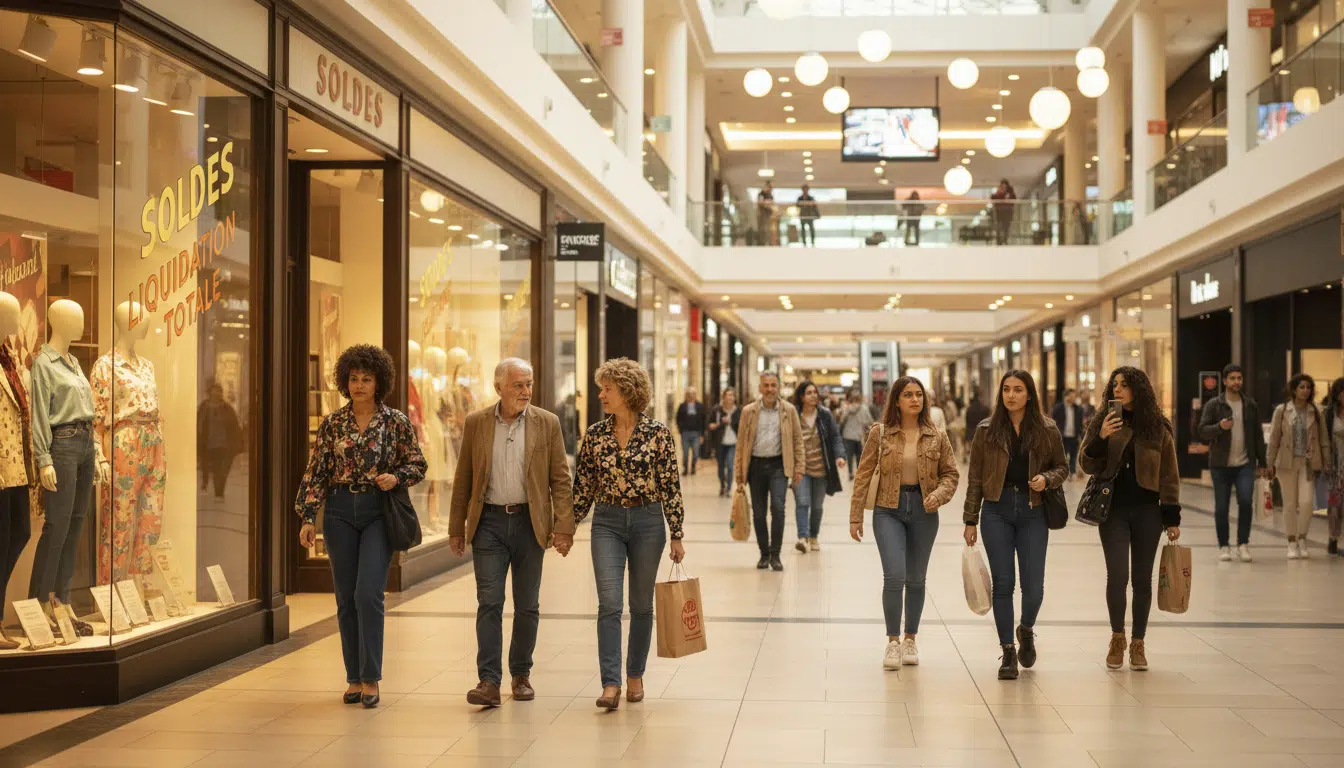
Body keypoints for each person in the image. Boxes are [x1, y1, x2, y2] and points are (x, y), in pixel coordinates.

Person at [295, 344, 427, 708]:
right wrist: (308, 517)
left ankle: (371, 678)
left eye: (366, 379)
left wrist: (395, 477)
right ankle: (353, 677)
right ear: (344, 381)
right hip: (338, 511)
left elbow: (418, 464)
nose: (358, 385)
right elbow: (317, 471)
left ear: (378, 382)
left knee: (368, 594)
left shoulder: (395, 421)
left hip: (377, 511)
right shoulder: (333, 423)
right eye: (353, 378)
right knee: (345, 598)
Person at [448, 358, 575, 708]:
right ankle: (488, 681)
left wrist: (564, 526)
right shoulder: (477, 423)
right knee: (489, 601)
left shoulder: (546, 423)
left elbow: (560, 480)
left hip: (528, 522)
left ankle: (521, 675)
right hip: (488, 523)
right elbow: (463, 480)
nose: (526, 391)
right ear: (498, 386)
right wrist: (456, 528)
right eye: (518, 384)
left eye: (529, 384)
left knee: (527, 604)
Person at [572, 358, 685, 709]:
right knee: (608, 603)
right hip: (606, 521)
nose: (601, 394)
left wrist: (677, 533)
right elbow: (583, 487)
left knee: (640, 605)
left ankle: (635, 673)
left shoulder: (658, 434)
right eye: (601, 387)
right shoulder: (594, 435)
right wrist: (564, 528)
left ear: (628, 391)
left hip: (648, 521)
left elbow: (670, 485)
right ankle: (611, 683)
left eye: (608, 388)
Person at [962, 370, 1067, 680]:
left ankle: (1026, 629)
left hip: (1034, 512)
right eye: (1006, 389)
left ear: (1029, 395)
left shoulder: (1047, 429)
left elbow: (1063, 466)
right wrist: (970, 518)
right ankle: (1008, 650)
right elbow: (976, 478)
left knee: (1033, 587)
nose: (1011, 395)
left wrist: (1046, 479)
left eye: (1018, 390)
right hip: (997, 511)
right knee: (1004, 583)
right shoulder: (987, 430)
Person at [850, 376, 958, 669]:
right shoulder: (881, 433)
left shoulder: (938, 436)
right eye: (908, 395)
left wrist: (939, 495)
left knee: (916, 579)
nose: (915, 399)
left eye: (919, 395)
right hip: (888, 509)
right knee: (895, 575)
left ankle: (911, 637)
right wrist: (856, 515)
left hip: (925, 511)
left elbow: (951, 474)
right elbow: (863, 473)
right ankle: (893, 642)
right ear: (896, 400)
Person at [1080, 367, 1181, 671]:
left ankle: (1138, 643)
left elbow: (1169, 475)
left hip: (1148, 511)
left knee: (1141, 580)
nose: (1118, 390)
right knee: (1118, 576)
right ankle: (1117, 638)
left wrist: (1171, 516)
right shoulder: (1103, 422)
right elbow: (1086, 463)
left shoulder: (1158, 427)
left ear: (1139, 389)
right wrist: (1101, 438)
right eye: (1115, 385)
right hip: (1113, 510)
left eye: (1124, 385)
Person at [733, 371, 805, 571]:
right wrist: (739, 474)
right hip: (755, 467)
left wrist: (799, 467)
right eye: (766, 385)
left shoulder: (789, 411)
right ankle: (764, 554)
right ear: (760, 388)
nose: (770, 389)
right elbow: (740, 444)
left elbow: (798, 440)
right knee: (758, 512)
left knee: (778, 508)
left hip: (779, 466)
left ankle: (776, 555)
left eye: (773, 385)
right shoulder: (748, 412)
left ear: (779, 387)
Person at [1196, 364, 1266, 562]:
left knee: (1245, 502)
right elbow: (1201, 431)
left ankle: (1242, 544)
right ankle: (1224, 545)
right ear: (1225, 381)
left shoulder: (1250, 405)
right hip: (1220, 466)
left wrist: (1263, 462)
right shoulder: (1214, 405)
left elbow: (1258, 436)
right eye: (1233, 378)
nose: (1237, 382)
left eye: (1239, 378)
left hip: (1245, 464)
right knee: (1221, 507)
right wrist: (1219, 426)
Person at [1267, 373, 1330, 559]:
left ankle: (1303, 538)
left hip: (1308, 463)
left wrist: (1326, 462)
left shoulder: (1317, 411)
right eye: (1301, 387)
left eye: (1308, 387)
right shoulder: (1282, 410)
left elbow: (1324, 439)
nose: (1305, 390)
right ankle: (1292, 541)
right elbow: (1274, 439)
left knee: (1307, 503)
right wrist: (1269, 463)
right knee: (1289, 504)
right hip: (1286, 463)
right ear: (1294, 389)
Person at [792, 380, 846, 553]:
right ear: (801, 396)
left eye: (815, 392)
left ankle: (813, 535)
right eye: (809, 393)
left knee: (816, 506)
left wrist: (839, 456)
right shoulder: (794, 415)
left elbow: (835, 436)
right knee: (802, 502)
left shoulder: (824, 414)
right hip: (800, 468)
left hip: (822, 469)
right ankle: (803, 537)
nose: (813, 395)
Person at [197, 382, 243, 500]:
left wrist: (237, 443)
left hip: (225, 445)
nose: (216, 393)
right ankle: (214, 489)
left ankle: (219, 491)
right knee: (213, 468)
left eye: (219, 391)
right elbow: (198, 424)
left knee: (222, 469)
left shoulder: (227, 408)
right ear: (210, 392)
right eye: (214, 390)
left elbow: (235, 426)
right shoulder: (204, 407)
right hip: (208, 444)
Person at [1322, 378, 1344, 556]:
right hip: (1335, 466)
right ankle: (1333, 537)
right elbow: (1323, 439)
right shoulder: (1329, 414)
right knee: (1335, 505)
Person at [707, 388, 739, 497]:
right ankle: (722, 485)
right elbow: (710, 424)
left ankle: (729, 489)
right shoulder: (717, 410)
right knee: (721, 466)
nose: (730, 397)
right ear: (723, 397)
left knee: (730, 465)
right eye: (728, 395)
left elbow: (741, 426)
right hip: (720, 442)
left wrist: (732, 422)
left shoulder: (738, 411)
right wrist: (721, 423)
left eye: (732, 395)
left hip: (733, 442)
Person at [839, 390, 874, 481]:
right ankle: (859, 473)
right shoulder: (864, 408)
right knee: (859, 455)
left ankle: (850, 473)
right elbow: (869, 421)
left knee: (849, 456)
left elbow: (842, 420)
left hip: (848, 435)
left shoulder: (847, 408)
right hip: (859, 436)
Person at [1051, 389, 1085, 479]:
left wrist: (1081, 435)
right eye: (1072, 396)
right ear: (1066, 396)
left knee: (1073, 456)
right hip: (1062, 436)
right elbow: (1053, 422)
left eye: (1074, 396)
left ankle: (1072, 473)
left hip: (1074, 435)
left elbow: (1080, 423)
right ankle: (1063, 473)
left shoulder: (1078, 409)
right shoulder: (1058, 408)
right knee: (1063, 456)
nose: (1074, 398)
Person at [675, 388, 706, 476]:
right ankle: (685, 468)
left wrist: (702, 435)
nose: (691, 395)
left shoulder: (700, 406)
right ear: (687, 395)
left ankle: (693, 467)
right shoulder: (682, 406)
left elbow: (703, 420)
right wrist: (680, 429)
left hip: (696, 433)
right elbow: (678, 418)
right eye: (690, 393)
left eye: (693, 393)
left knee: (696, 453)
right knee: (685, 453)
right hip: (685, 433)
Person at [990, 179, 1017, 246]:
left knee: (1006, 228)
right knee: (999, 227)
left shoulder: (1010, 193)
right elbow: (993, 199)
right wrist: (999, 192)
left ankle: (1005, 240)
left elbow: (1013, 200)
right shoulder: (998, 193)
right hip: (999, 213)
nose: (1003, 188)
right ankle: (999, 241)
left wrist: (1008, 196)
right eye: (1002, 186)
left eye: (1005, 186)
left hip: (1007, 213)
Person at [757, 181, 777, 246]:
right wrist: (766, 204)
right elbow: (760, 203)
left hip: (768, 214)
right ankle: (762, 243)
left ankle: (768, 242)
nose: (770, 189)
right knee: (763, 228)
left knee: (768, 229)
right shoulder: (761, 194)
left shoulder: (771, 195)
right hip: (762, 214)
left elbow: (772, 204)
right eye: (769, 187)